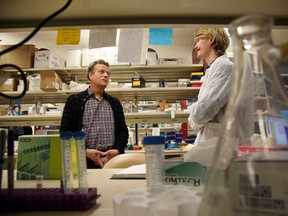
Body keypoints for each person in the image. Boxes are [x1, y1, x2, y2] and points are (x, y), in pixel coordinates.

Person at [60, 59, 128, 168]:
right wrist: (85, 151)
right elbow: (65, 132)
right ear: (91, 75)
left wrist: (117, 150)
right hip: (83, 160)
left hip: (111, 160)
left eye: (108, 73)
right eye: (101, 72)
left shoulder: (114, 103)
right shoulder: (74, 100)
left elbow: (123, 131)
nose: (106, 75)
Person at [188, 27, 233, 145]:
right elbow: (200, 113)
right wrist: (196, 113)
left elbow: (201, 113)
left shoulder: (225, 67)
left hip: (218, 145)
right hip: (210, 145)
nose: (195, 46)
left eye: (198, 41)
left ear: (211, 39)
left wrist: (193, 112)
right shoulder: (212, 69)